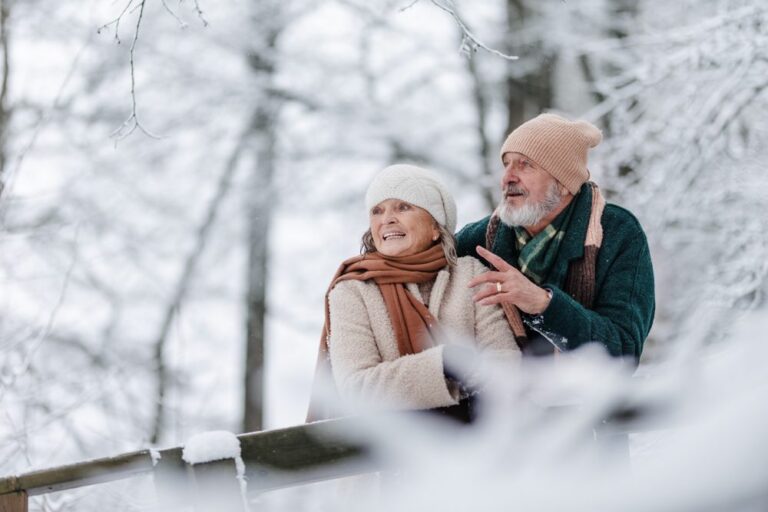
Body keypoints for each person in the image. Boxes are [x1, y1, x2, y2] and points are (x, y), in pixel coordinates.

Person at [307, 164, 519, 421]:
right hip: (388, 446)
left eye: (403, 207)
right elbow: (357, 389)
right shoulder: (353, 290)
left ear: (435, 227)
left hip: (479, 438)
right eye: (377, 211)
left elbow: (505, 366)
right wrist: (445, 365)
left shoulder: (471, 274)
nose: (387, 219)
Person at [456, 113, 655, 361]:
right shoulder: (479, 239)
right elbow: (418, 263)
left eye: (525, 164)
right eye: (506, 164)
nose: (507, 177)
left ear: (563, 183)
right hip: (503, 396)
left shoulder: (619, 233)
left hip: (585, 397)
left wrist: (543, 304)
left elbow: (623, 351)